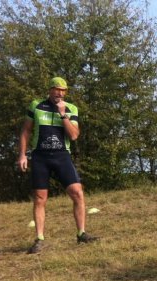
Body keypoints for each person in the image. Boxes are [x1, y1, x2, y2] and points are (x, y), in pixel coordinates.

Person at [18, 76, 97, 254]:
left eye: (63, 91)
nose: (59, 93)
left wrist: (63, 114)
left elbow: (74, 135)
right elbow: (26, 130)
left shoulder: (71, 108)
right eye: (56, 89)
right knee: (40, 198)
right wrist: (22, 155)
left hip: (62, 156)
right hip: (40, 157)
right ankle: (39, 239)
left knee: (77, 192)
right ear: (50, 90)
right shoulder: (36, 105)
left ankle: (81, 234)